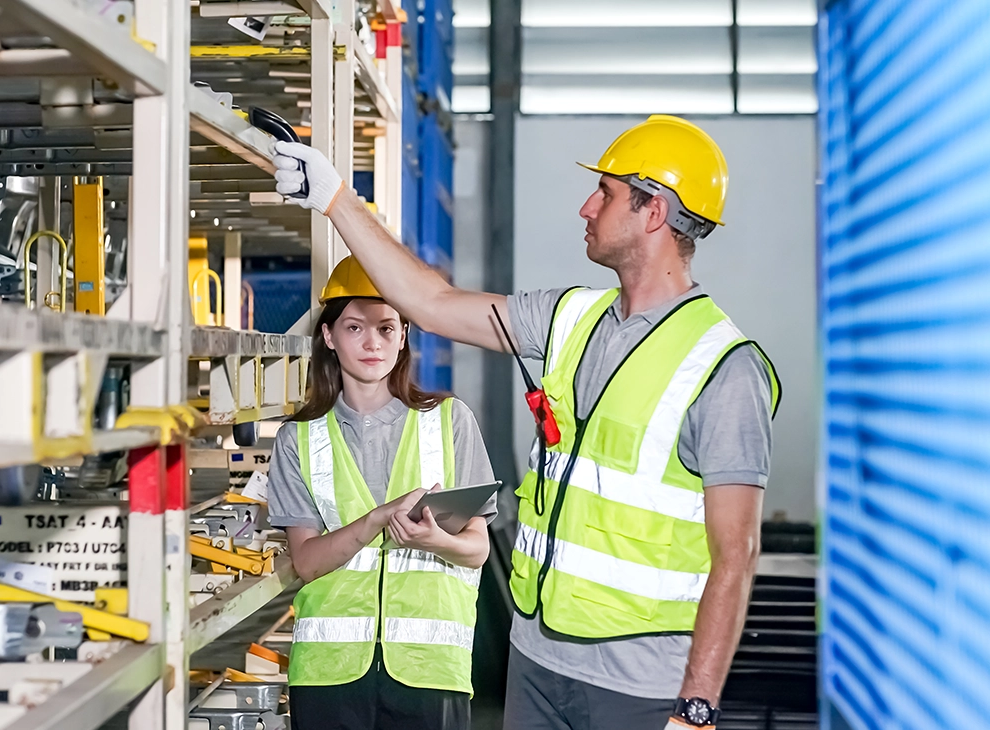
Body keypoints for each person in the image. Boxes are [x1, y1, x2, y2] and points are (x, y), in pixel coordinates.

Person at [270, 115, 779, 730]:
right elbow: (429, 303)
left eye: (608, 193)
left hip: (639, 682)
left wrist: (696, 709)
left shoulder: (723, 367)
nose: (587, 206)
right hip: (536, 661)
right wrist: (334, 199)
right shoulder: (569, 318)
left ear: (654, 213)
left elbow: (737, 554)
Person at [266, 256, 499, 730]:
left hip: (430, 671)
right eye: (355, 327)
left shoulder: (450, 422)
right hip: (329, 676)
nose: (373, 342)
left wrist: (438, 542)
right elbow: (306, 562)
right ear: (329, 337)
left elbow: (478, 549)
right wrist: (377, 519)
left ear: (404, 335)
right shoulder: (300, 439)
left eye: (387, 328)